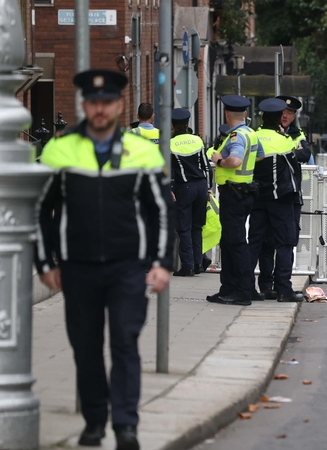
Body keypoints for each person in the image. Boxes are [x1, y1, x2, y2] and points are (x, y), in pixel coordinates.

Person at [34, 69, 173, 450]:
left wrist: (162, 262)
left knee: (125, 342)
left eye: (107, 102)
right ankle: (95, 421)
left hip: (128, 266)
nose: (99, 109)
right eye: (93, 103)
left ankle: (126, 425)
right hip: (76, 267)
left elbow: (161, 210)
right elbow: (39, 209)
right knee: (86, 346)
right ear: (83, 105)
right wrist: (45, 263)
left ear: (119, 105)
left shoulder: (142, 152)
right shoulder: (59, 150)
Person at [206, 95, 264, 306]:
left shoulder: (236, 137)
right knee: (231, 242)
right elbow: (260, 156)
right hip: (244, 192)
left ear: (227, 114)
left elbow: (236, 160)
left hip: (234, 193)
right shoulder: (251, 134)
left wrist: (219, 159)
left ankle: (241, 291)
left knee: (235, 243)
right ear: (245, 114)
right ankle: (230, 288)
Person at [250, 97, 305, 302]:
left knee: (254, 243)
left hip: (256, 198)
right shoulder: (284, 141)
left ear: (262, 117)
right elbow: (294, 166)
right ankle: (284, 289)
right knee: (284, 243)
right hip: (280, 199)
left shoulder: (253, 137)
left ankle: (249, 287)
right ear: (278, 118)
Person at [169, 108, 210, 276]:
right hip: (201, 186)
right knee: (197, 227)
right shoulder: (197, 141)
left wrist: (170, 190)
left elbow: (168, 171)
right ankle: (199, 263)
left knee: (183, 228)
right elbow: (206, 167)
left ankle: (188, 266)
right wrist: (208, 187)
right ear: (187, 124)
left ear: (173, 125)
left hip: (184, 188)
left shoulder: (170, 144)